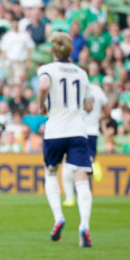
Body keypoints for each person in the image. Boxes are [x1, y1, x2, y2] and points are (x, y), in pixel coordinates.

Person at [36, 32, 94, 247]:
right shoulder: (81, 73)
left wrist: (41, 103)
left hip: (55, 130)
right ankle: (84, 226)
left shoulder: (47, 69)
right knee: (82, 179)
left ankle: (58, 217)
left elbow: (43, 86)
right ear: (71, 51)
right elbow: (88, 105)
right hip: (78, 130)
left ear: (52, 50)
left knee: (51, 174)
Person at [62, 82, 107, 206]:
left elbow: (89, 107)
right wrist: (99, 118)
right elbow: (107, 109)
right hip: (92, 132)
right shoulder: (97, 89)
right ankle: (91, 167)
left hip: (78, 131)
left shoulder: (78, 89)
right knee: (80, 167)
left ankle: (70, 197)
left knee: (70, 165)